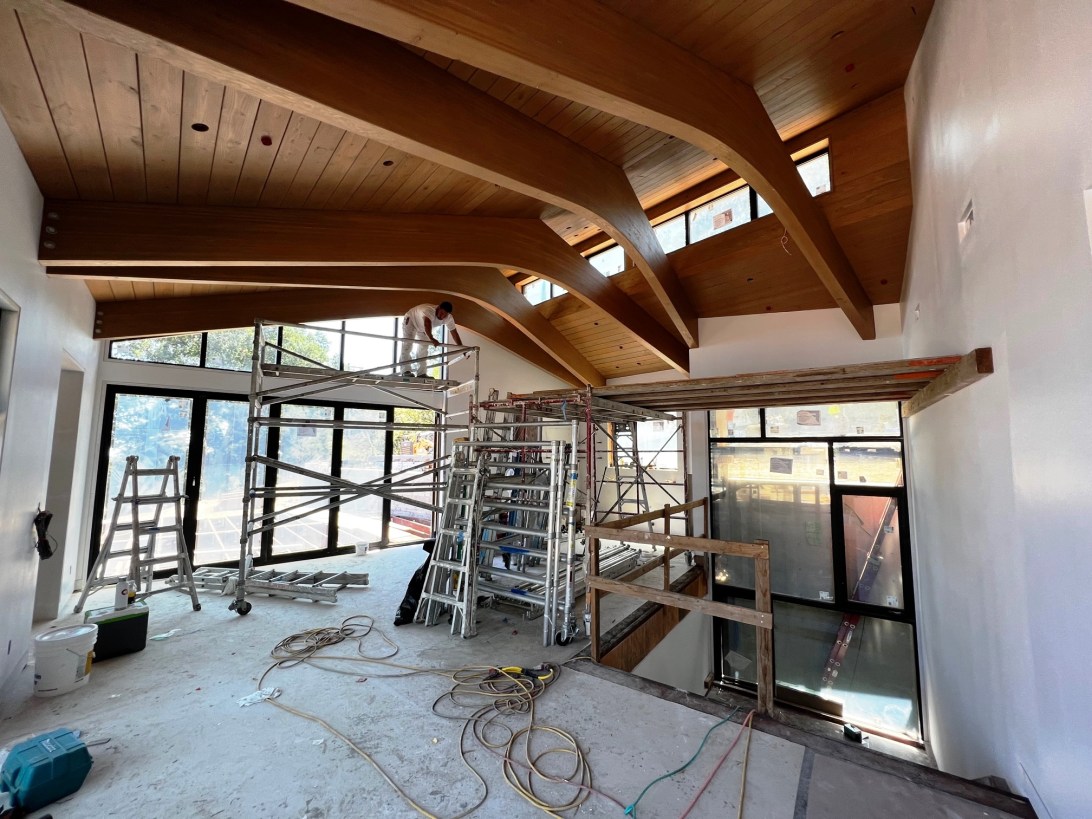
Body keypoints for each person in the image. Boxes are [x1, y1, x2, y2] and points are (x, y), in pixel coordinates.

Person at [398, 302, 462, 376]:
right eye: (441, 313)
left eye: (445, 315)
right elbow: (427, 323)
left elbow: (454, 333)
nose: (442, 316)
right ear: (438, 308)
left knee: (424, 347)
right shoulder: (429, 310)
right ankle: (405, 370)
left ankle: (422, 373)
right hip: (412, 320)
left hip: (422, 328)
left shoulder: (449, 318)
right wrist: (431, 338)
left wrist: (462, 348)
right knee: (407, 344)